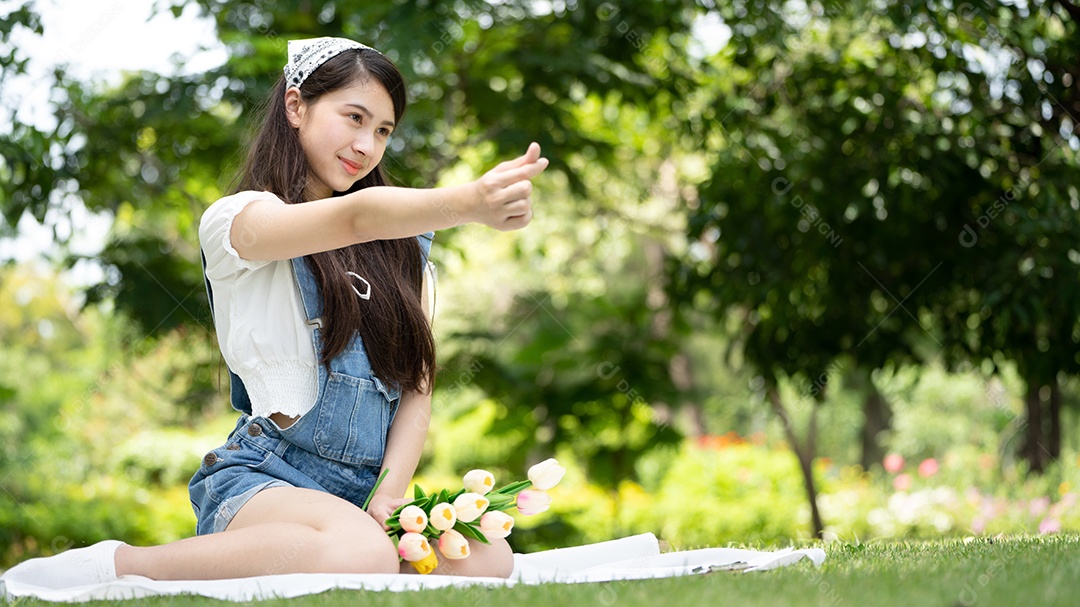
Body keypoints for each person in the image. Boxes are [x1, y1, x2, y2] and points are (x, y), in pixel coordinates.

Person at [2, 36, 547, 587]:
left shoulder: (405, 253)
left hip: (357, 495)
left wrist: (388, 497)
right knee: (360, 553)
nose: (367, 144)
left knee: (487, 558)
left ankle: (350, 541)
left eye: (383, 130)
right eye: (354, 117)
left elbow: (417, 392)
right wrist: (469, 203)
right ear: (295, 106)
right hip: (263, 478)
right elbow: (357, 218)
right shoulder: (239, 221)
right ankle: (122, 566)